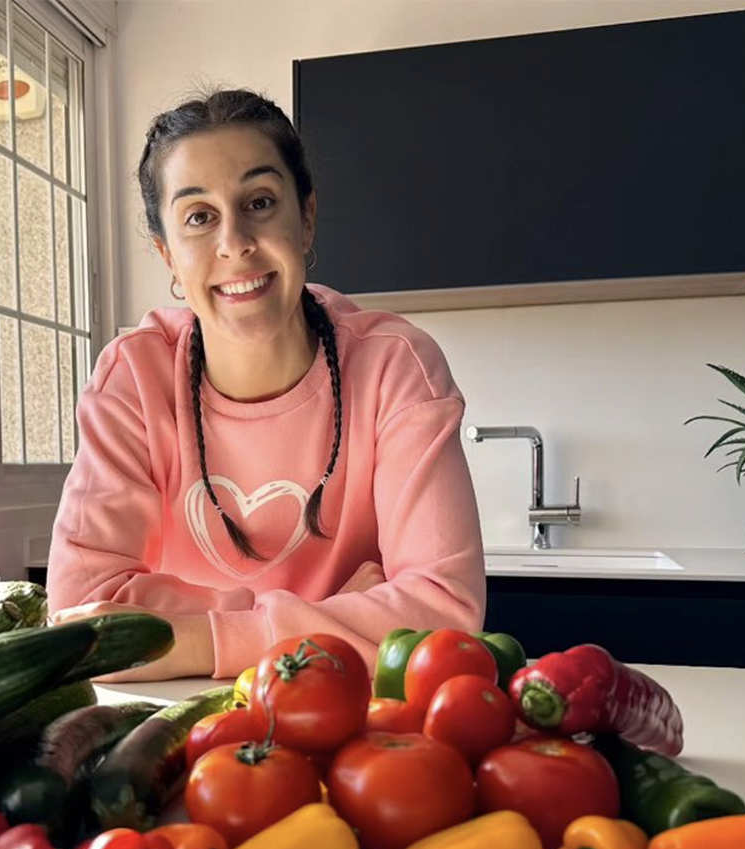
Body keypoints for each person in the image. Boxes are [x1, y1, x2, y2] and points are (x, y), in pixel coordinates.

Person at [47, 88, 485, 681]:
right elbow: (78, 622)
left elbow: (447, 616)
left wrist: (196, 639)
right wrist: (338, 616)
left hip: (351, 716)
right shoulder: (133, 378)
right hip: (187, 717)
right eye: (199, 218)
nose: (234, 243)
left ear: (305, 219)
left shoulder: (396, 366)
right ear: (168, 256)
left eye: (259, 201)